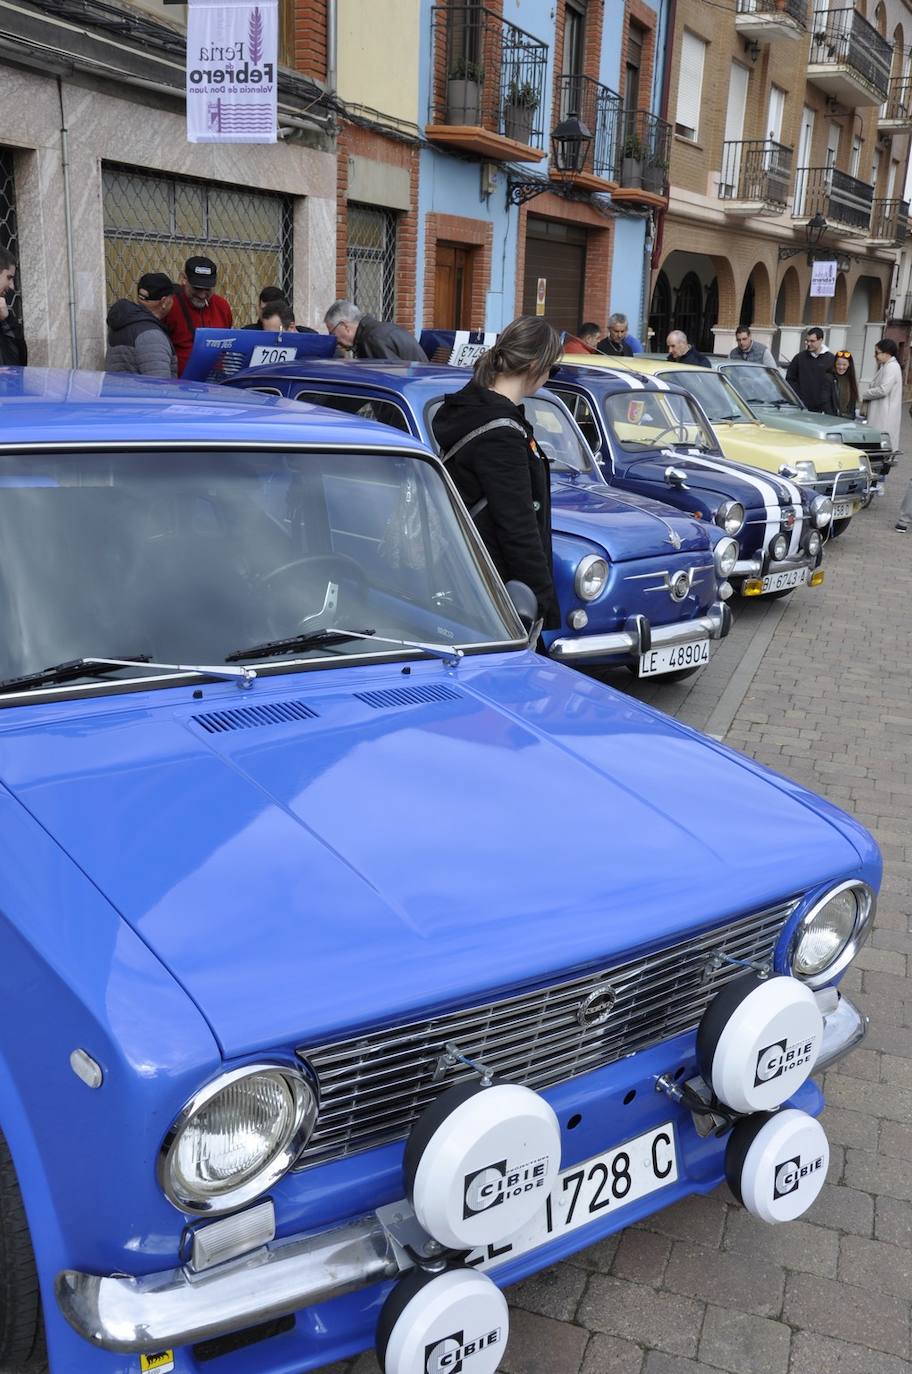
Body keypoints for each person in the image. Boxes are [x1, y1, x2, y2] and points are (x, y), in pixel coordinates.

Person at [431, 315, 561, 629]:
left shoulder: (474, 410)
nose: (550, 376)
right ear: (535, 365)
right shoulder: (500, 433)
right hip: (496, 595)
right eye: (553, 369)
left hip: (469, 579)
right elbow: (517, 525)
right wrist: (541, 603)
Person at [164, 256, 233, 376]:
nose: (202, 295)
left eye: (208, 289)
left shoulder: (222, 307)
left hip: (215, 382)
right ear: (184, 279)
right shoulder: (170, 306)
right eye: (197, 288)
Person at [104, 272, 178, 378]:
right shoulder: (152, 336)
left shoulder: (124, 322)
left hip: (119, 392)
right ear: (164, 301)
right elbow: (159, 386)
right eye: (172, 298)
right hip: (140, 394)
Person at [324, 300, 428, 361]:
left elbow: (387, 381)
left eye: (332, 332)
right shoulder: (376, 332)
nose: (334, 339)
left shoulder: (372, 339)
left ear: (345, 326)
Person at [785, 327, 835, 412]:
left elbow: (833, 384)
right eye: (807, 341)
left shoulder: (831, 359)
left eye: (812, 341)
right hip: (801, 407)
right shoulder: (799, 358)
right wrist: (798, 398)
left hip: (822, 409)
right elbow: (790, 379)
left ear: (821, 340)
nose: (808, 343)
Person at [0, 248, 26, 367]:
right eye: (9, 278)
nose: (12, 286)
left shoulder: (4, 315)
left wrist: (7, 320)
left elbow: (20, 362)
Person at [831, 349, 859, 419]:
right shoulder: (829, 378)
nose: (841, 367)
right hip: (832, 418)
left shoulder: (851, 380)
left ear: (849, 364)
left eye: (844, 365)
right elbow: (825, 401)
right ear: (834, 364)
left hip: (846, 419)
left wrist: (851, 417)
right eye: (838, 364)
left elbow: (852, 404)